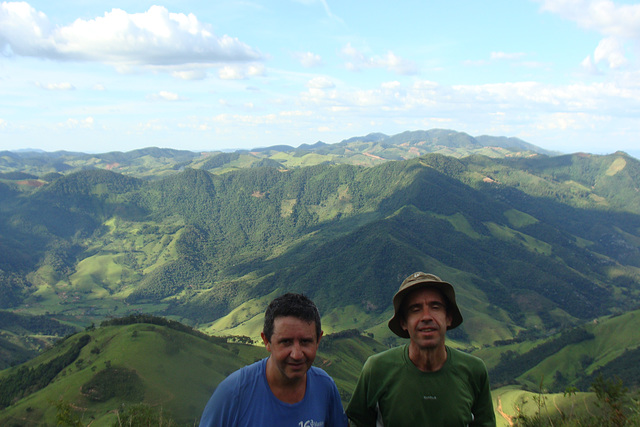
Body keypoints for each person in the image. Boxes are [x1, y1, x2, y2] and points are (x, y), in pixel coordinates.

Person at [346, 272, 496, 426]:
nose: (426, 317)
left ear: (448, 317)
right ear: (404, 322)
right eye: (415, 309)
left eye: (435, 307)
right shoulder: (377, 370)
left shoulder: (474, 371)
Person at [199, 292, 348, 427]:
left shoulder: (325, 387)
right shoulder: (233, 394)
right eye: (286, 342)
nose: (296, 354)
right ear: (266, 341)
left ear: (318, 341)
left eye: (305, 342)